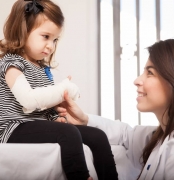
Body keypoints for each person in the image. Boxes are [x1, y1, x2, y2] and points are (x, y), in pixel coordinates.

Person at [0, 0, 118, 180]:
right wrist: (62, 88)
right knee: (68, 133)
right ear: (22, 31)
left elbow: (45, 108)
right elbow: (29, 101)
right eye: (45, 36)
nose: (51, 45)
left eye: (55, 39)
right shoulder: (12, 64)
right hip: (13, 127)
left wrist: (57, 117)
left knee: (97, 135)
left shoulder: (41, 68)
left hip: (33, 124)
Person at [57, 39, 174, 180]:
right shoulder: (160, 137)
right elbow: (124, 135)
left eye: (150, 73)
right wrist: (85, 119)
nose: (137, 80)